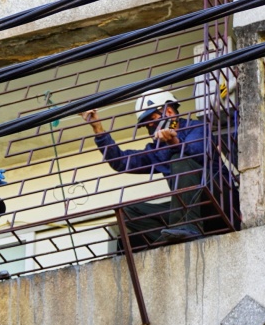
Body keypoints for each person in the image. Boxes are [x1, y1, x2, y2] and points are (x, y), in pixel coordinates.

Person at [82, 89, 237, 245]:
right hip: (189, 211)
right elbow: (121, 162)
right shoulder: (158, 150)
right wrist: (98, 129)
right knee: (127, 212)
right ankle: (175, 237)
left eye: (152, 119)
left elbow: (195, 151)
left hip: (219, 201)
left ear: (169, 112)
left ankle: (184, 229)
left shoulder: (197, 127)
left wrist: (173, 141)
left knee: (179, 160)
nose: (150, 125)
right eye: (146, 123)